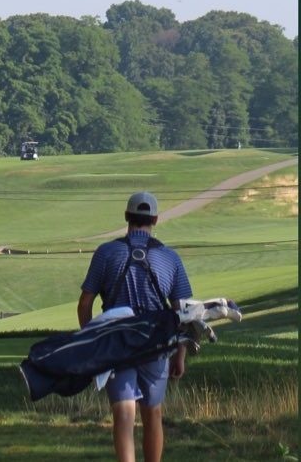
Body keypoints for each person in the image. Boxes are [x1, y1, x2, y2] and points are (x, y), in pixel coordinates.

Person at [77, 191, 193, 462]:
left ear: (127, 216)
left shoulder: (106, 253)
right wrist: (180, 355)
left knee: (123, 413)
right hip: (156, 343)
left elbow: (85, 304)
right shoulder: (170, 258)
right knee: (152, 413)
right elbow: (183, 312)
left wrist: (92, 342)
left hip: (117, 343)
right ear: (154, 219)